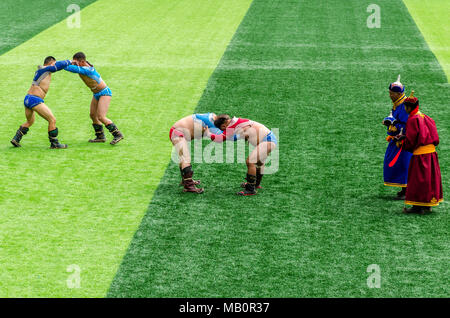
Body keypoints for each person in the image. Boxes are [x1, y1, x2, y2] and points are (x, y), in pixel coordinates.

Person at [395, 91, 443, 214]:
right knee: (428, 180)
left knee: (417, 180)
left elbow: (411, 141)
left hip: (420, 155)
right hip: (431, 154)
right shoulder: (424, 116)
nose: (405, 109)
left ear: (410, 107)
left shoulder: (412, 119)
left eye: (406, 106)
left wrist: (401, 142)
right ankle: (427, 205)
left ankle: (417, 206)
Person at [207, 114, 277, 196]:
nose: (223, 130)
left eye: (222, 128)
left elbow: (219, 139)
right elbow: (233, 137)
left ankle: (251, 189)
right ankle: (255, 184)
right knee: (259, 163)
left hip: (267, 141)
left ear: (223, 125)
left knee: (250, 161)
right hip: (268, 139)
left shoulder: (231, 126)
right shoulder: (235, 122)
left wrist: (207, 133)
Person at [64, 52, 123, 145]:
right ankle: (100, 136)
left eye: (76, 63)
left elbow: (70, 68)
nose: (74, 64)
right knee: (92, 115)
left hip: (104, 93)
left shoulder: (87, 70)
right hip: (96, 94)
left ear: (82, 61)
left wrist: (56, 65)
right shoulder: (84, 65)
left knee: (101, 117)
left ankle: (117, 134)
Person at [11, 56, 70, 149]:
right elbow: (57, 66)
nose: (55, 64)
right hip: (35, 99)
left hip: (28, 99)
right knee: (52, 120)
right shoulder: (45, 69)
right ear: (50, 63)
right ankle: (54, 144)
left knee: (30, 121)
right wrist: (71, 61)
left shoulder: (42, 70)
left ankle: (16, 139)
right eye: (54, 63)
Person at [169, 113, 225, 193]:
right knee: (186, 159)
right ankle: (189, 186)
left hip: (177, 132)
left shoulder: (212, 117)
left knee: (183, 158)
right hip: (177, 134)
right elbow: (222, 137)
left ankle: (185, 181)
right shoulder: (210, 123)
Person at [382, 75, 412, 199]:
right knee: (399, 164)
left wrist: (393, 123)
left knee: (404, 164)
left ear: (399, 94)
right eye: (389, 92)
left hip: (403, 141)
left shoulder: (404, 106)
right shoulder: (397, 103)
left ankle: (407, 190)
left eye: (392, 93)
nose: (390, 95)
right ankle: (404, 189)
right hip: (396, 139)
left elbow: (407, 125)